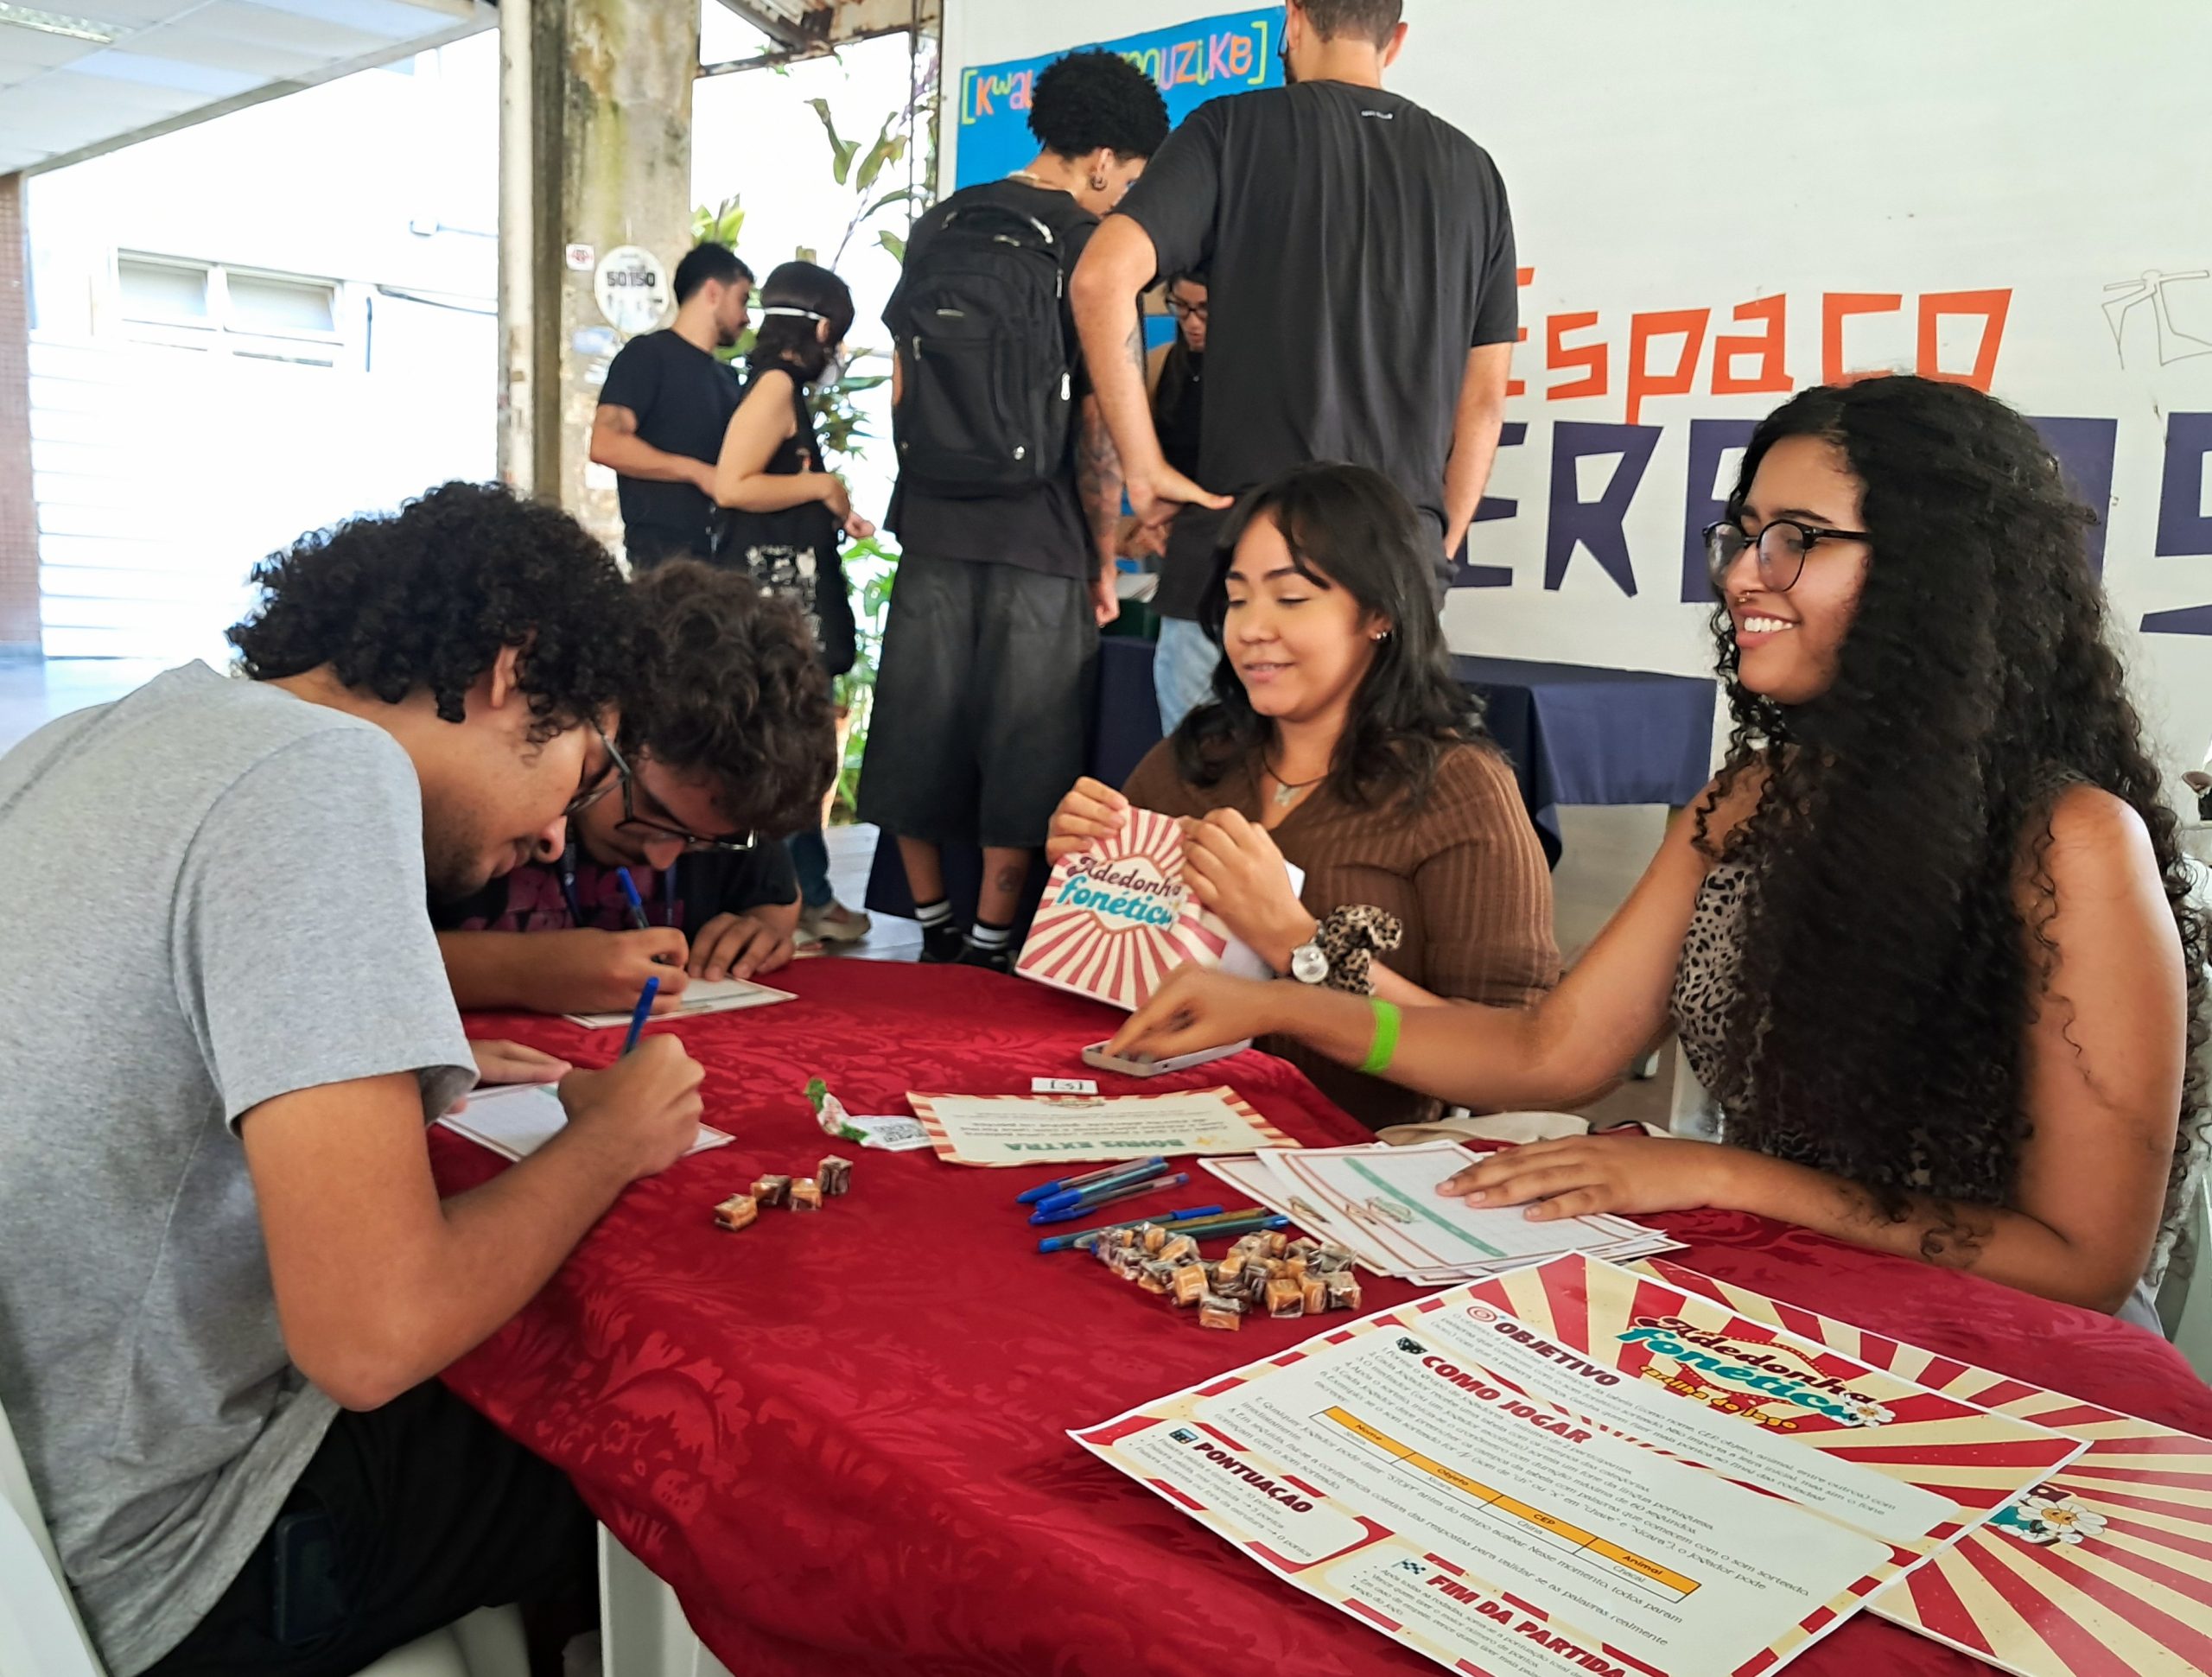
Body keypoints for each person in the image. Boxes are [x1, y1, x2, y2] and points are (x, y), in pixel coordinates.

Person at [1109, 378, 2209, 1324]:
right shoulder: (1746, 800)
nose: (1742, 575)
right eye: (1743, 535)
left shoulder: (2068, 843)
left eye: (1799, 539)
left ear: (1941, 575)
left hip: (2006, 1370)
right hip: (1783, 1296)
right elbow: (1551, 1054)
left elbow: (2081, 1263)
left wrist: (1713, 1172)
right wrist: (1279, 1006)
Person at [0, 482, 709, 1677]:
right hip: (171, 1557)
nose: (552, 837)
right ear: (509, 673)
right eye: (581, 768)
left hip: (39, 1496)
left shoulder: (91, 736)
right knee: (669, 1445)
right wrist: (612, 1138)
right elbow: (375, 1335)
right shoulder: (326, 777)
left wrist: (362, 1053)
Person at [1052, 462, 1557, 1128]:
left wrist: (1298, 942)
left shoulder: (1458, 788)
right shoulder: (1199, 756)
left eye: (1290, 599)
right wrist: (1088, 868)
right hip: (1159, 1130)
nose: (1252, 628)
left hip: (1356, 1166)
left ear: (1379, 612)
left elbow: (1513, 1063)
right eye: (1237, 599)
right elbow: (1113, 976)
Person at [860, 48, 1171, 972]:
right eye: (1133, 178)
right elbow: (1097, 424)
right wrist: (1104, 559)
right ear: (1104, 158)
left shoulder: (941, 224)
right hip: (1039, 536)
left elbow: (902, 385)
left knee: (916, 727)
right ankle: (993, 945)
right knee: (1026, 744)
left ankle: (932, 930)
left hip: (931, 523)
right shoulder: (1088, 244)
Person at [1070, 0, 1517, 627]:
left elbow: (1099, 277)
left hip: (1250, 560)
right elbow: (1485, 399)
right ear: (1396, 41)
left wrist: (1143, 469)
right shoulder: (1476, 175)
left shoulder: (1230, 129)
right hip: (1395, 574)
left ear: (1294, 20)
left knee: (1219, 730)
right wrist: (1435, 548)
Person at [433, 560, 837, 1008]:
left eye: (700, 844)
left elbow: (776, 904)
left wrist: (759, 933)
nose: (661, 859)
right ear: (604, 720)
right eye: (654, 817)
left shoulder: (731, 801)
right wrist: (519, 971)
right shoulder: (474, 805)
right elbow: (357, 961)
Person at [712, 258, 876, 948]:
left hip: (792, 603)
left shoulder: (774, 388)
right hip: (779, 608)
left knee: (795, 753)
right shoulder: (776, 387)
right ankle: (804, 894)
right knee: (790, 755)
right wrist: (820, 487)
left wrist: (830, 495)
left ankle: (809, 892)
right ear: (819, 329)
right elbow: (732, 484)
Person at [590, 242, 755, 569]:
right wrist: (695, 472)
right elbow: (605, 444)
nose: (747, 317)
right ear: (712, 292)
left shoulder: (727, 378)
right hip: (663, 567)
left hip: (724, 562)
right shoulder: (647, 356)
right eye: (742, 300)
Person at [1142, 270, 1218, 733]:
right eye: (1180, 307)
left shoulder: (1258, 377)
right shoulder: (1160, 363)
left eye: (1204, 311)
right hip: (1179, 540)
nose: (1191, 322)